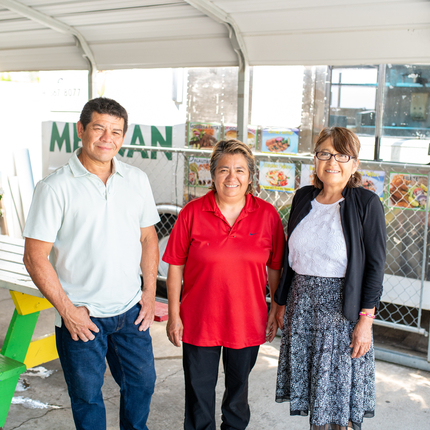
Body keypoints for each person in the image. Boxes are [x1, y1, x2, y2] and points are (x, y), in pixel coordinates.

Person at [23, 97, 160, 430]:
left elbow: (149, 239)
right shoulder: (54, 187)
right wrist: (68, 311)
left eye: (115, 131)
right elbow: (34, 256)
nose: (107, 138)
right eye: (99, 128)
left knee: (142, 385)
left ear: (123, 137)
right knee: (87, 398)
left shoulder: (136, 180)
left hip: (130, 311)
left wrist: (149, 292)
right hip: (81, 316)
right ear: (81, 130)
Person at [163, 139, 285, 430]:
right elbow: (175, 267)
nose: (232, 177)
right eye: (224, 170)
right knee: (198, 394)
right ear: (212, 173)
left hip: (247, 319)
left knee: (237, 394)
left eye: (240, 170)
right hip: (198, 319)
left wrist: (274, 309)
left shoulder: (267, 216)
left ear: (250, 177)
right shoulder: (192, 213)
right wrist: (173, 314)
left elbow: (275, 268)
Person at [274, 127, 387, 430]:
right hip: (302, 309)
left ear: (354, 164)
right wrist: (281, 303)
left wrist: (365, 321)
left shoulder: (366, 204)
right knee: (316, 401)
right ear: (315, 159)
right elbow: (290, 258)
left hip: (342, 316)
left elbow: (376, 267)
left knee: (336, 407)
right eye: (325, 153)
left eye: (341, 155)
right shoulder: (302, 198)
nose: (332, 161)